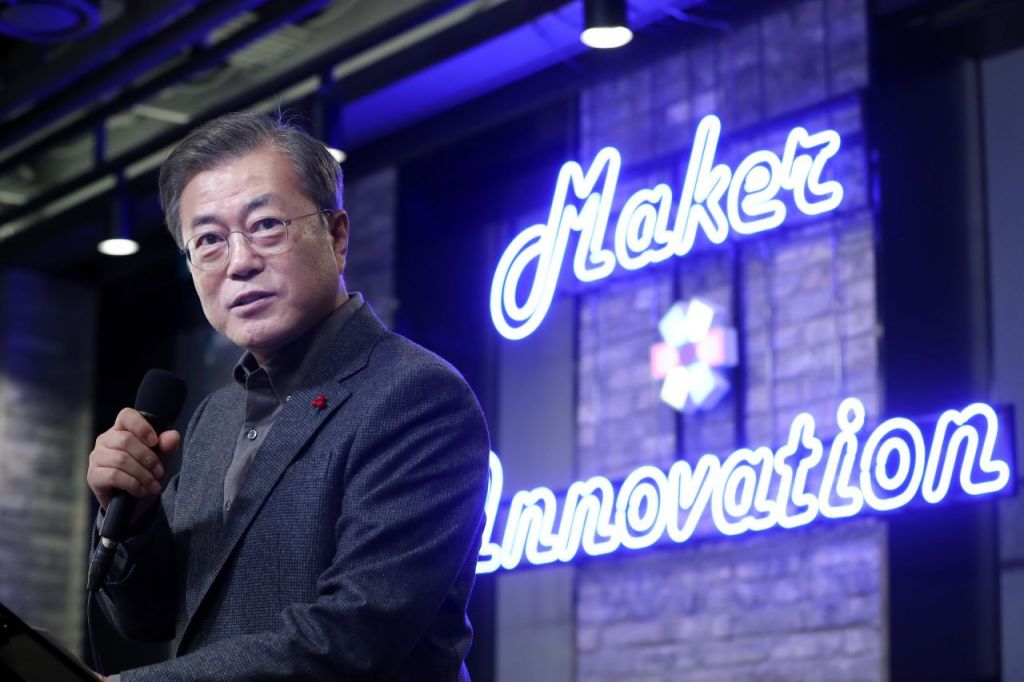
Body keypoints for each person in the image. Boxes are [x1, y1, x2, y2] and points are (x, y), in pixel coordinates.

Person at [86, 111, 491, 681]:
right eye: (208, 240)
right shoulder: (216, 416)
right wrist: (131, 515)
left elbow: (353, 637)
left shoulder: (416, 395)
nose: (240, 262)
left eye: (266, 225)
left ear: (337, 235)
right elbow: (148, 617)